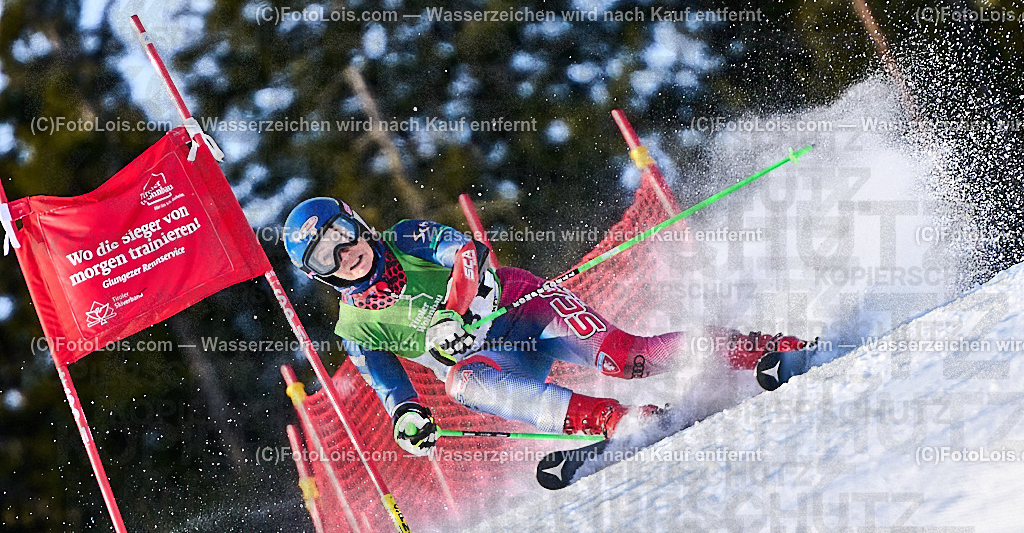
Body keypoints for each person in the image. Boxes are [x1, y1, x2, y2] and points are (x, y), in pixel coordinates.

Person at [283, 197, 806, 457]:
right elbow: (390, 388)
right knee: (460, 382)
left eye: (343, 235)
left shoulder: (406, 237)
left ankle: (758, 347)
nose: (346, 254)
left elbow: (469, 252)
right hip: (493, 360)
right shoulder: (354, 328)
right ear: (318, 275)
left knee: (625, 359)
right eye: (326, 256)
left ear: (358, 224)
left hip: (524, 305)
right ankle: (613, 422)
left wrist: (455, 311)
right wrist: (406, 420)